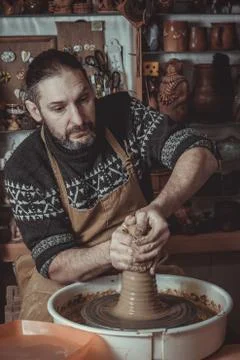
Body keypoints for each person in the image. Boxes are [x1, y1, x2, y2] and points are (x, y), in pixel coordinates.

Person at [4, 49, 219, 321]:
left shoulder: (124, 115)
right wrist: (110, 253)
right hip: (65, 278)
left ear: (92, 90)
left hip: (142, 266)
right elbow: (55, 263)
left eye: (83, 99)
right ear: (35, 111)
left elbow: (201, 153)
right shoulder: (24, 168)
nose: (79, 119)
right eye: (59, 108)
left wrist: (159, 208)